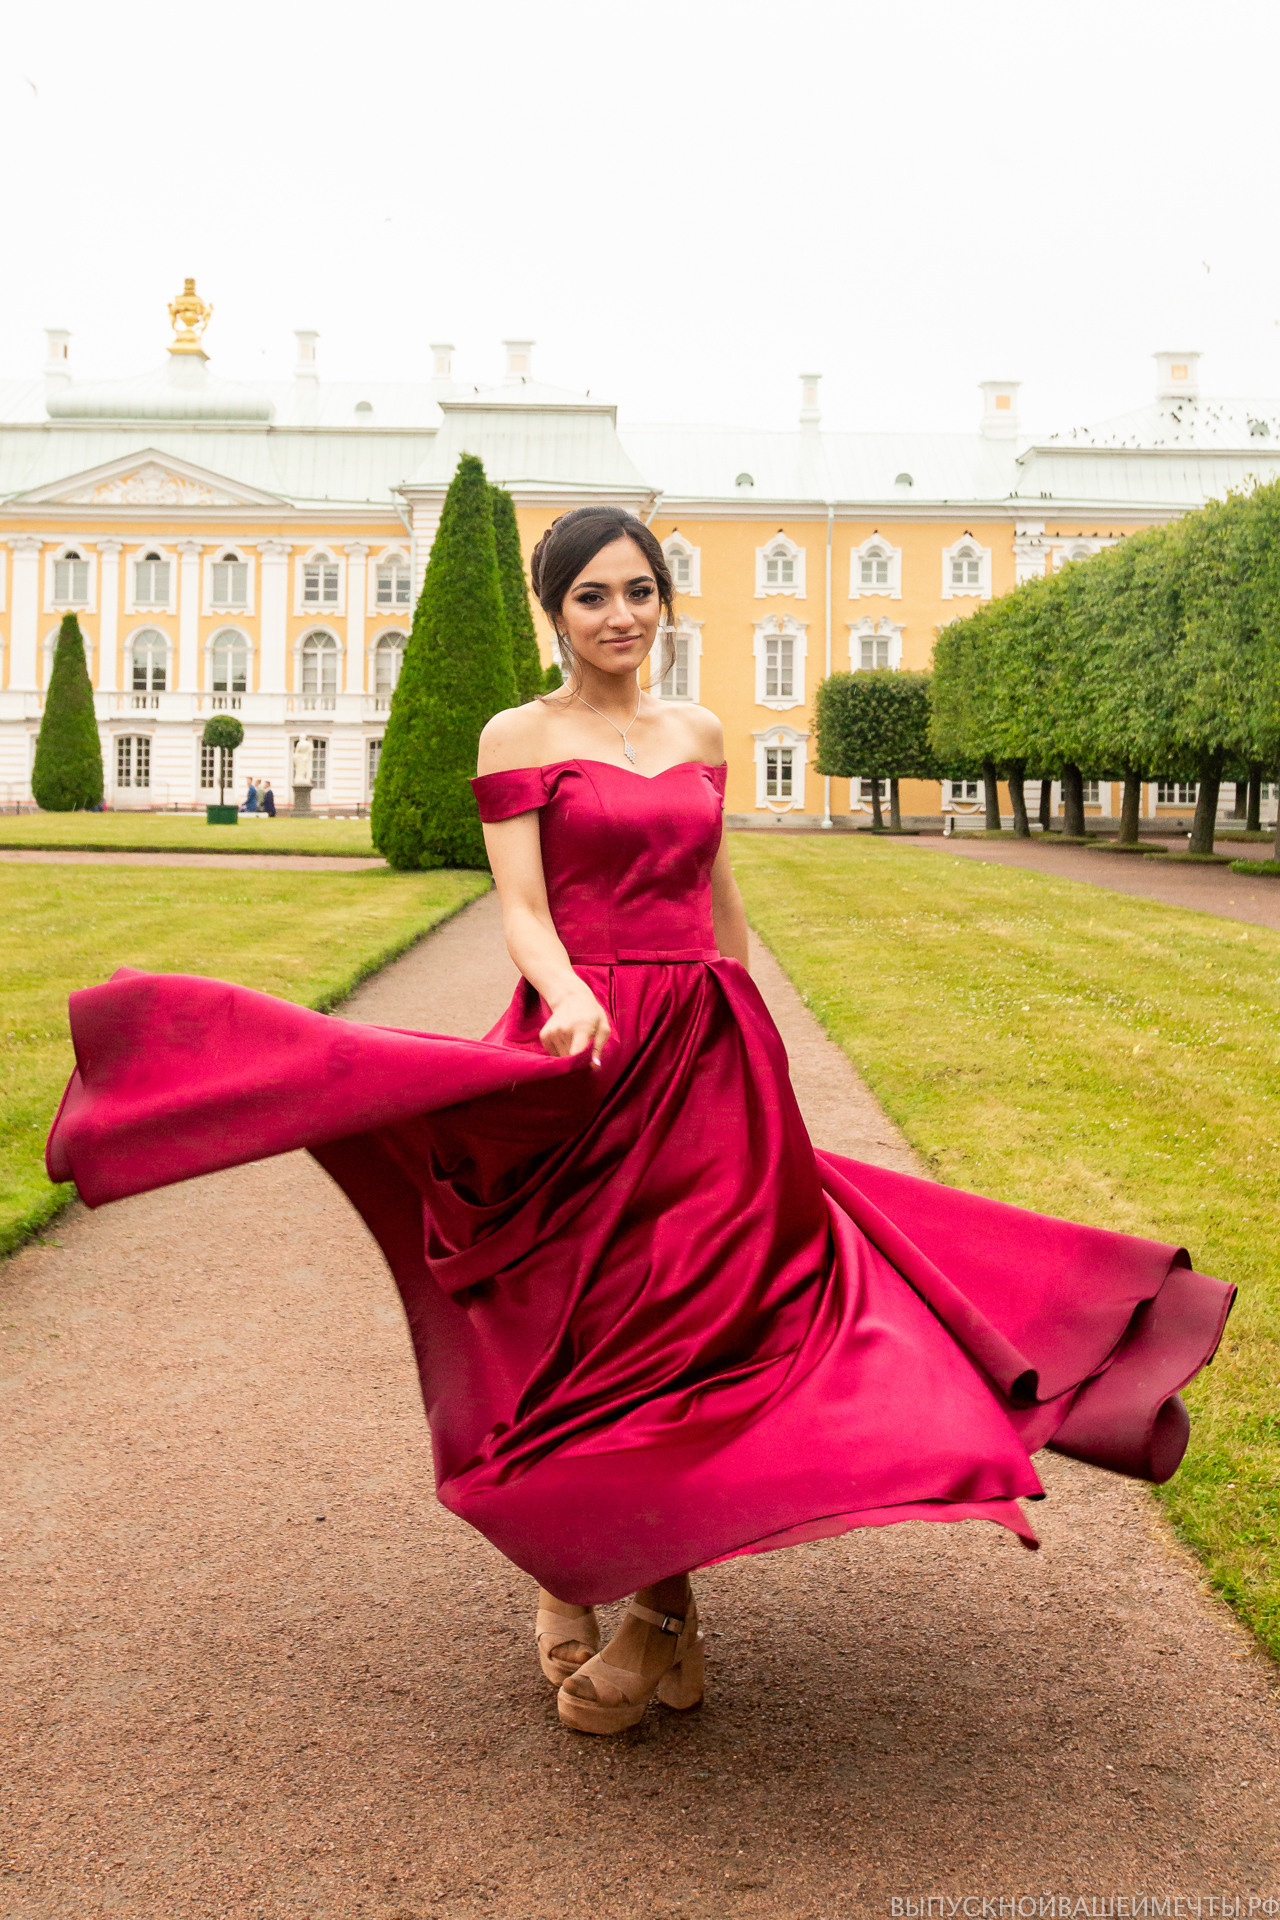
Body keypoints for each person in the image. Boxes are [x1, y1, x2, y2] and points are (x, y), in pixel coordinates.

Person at [47, 506, 1233, 1742]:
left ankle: (655, 1610)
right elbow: (519, 906)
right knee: (570, 1311)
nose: (622, 616)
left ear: (662, 598)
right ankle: (597, 1573)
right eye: (592, 599)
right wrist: (562, 993)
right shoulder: (519, 733)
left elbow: (718, 903)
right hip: (583, 1044)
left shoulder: (700, 732)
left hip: (704, 1051)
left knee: (694, 1324)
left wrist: (755, 1043)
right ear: (554, 617)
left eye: (639, 590)